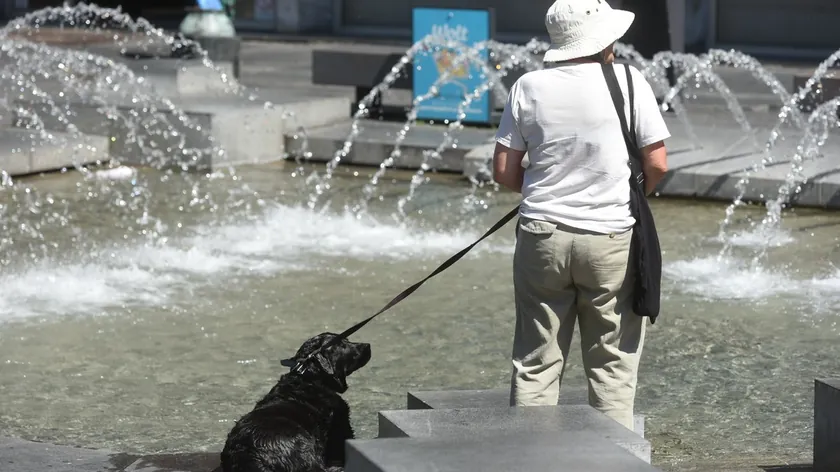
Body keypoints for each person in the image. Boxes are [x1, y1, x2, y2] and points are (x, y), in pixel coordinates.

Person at [492, 0, 670, 431]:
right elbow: (658, 164)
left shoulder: (528, 86)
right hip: (609, 239)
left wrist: (544, 191)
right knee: (612, 366)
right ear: (604, 39)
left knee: (535, 364)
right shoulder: (629, 82)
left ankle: (531, 459)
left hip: (541, 236)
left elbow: (503, 171)